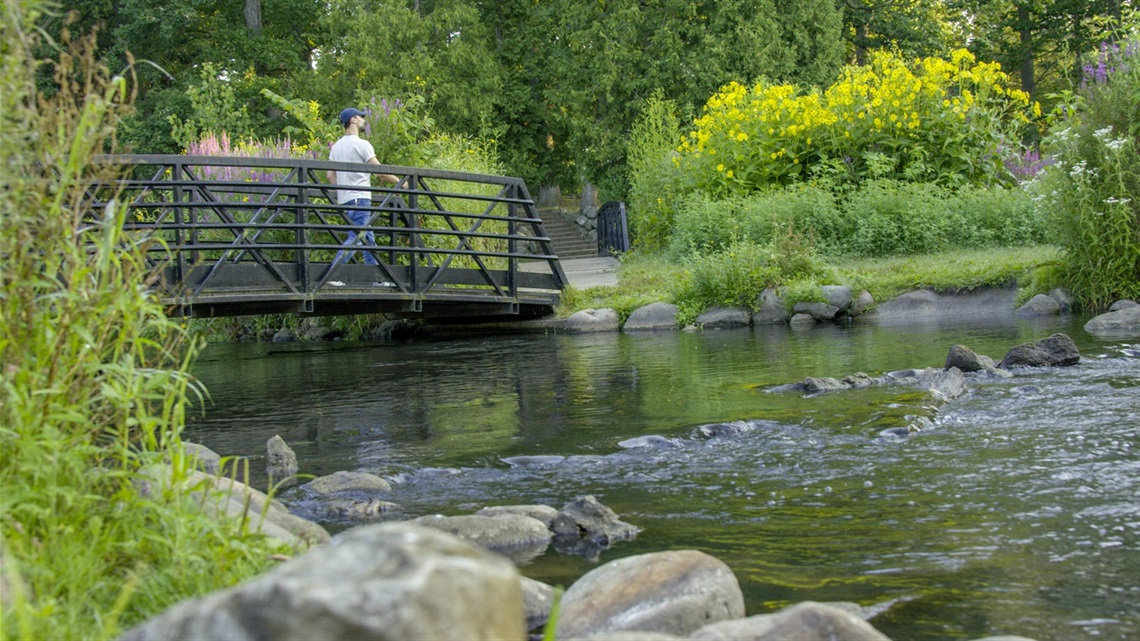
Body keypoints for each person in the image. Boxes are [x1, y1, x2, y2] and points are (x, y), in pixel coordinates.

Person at [327, 107, 399, 267]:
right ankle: (332, 274)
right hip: (360, 198)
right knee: (356, 237)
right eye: (361, 117)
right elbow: (380, 172)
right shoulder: (362, 144)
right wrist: (402, 182)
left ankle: (375, 276)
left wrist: (341, 193)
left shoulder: (336, 147)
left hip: (346, 200)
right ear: (353, 120)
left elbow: (330, 175)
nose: (364, 120)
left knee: (367, 238)